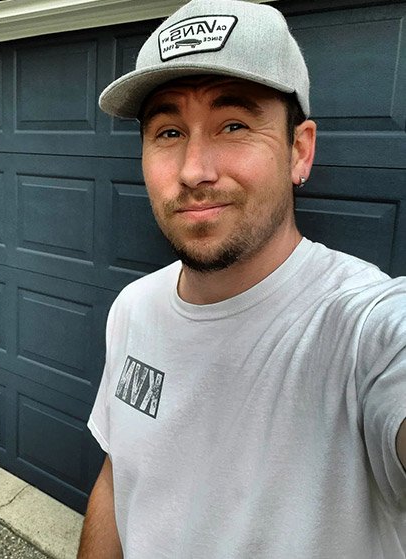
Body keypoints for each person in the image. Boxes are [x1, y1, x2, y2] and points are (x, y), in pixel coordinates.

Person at [76, 0, 406, 557]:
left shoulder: (362, 331)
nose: (193, 171)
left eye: (234, 125)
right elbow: (119, 474)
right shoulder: (133, 307)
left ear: (300, 151)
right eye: (168, 131)